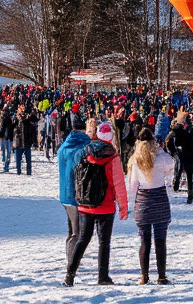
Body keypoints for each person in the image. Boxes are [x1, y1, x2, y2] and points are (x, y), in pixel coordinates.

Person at [66, 122, 129, 286]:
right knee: (104, 242)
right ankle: (103, 276)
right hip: (105, 205)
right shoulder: (113, 157)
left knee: (82, 239)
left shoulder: (84, 152)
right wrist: (123, 208)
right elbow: (119, 185)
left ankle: (70, 274)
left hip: (85, 204)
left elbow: (76, 175)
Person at [127, 128, 176, 285]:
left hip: (143, 201)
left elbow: (133, 185)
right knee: (161, 240)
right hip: (160, 199)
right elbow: (172, 163)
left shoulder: (135, 160)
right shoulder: (161, 157)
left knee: (144, 240)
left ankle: (144, 276)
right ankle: (161, 275)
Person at [58, 112, 92, 269]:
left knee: (72, 229)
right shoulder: (84, 148)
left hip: (65, 194)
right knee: (76, 232)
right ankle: (72, 262)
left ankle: (71, 258)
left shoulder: (63, 148)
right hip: (77, 194)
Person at [13, 104, 38, 176]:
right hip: (19, 141)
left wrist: (33, 111)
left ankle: (29, 172)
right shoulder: (16, 118)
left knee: (28, 159)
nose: (22, 110)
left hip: (27, 141)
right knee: (18, 159)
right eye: (21, 108)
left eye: (23, 108)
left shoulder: (28, 118)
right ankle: (18, 172)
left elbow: (35, 121)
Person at [0, 105, 14, 173]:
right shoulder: (5, 119)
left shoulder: (4, 119)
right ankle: (6, 164)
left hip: (6, 137)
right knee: (7, 151)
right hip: (7, 137)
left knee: (6, 151)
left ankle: (5, 164)